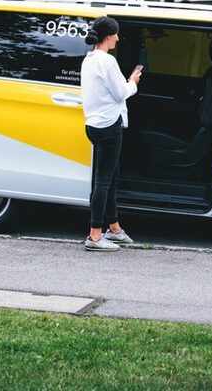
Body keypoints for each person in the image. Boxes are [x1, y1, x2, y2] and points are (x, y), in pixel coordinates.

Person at [80, 16, 142, 252]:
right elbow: (121, 93)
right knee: (104, 181)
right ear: (108, 36)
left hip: (94, 125)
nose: (118, 38)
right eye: (115, 34)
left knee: (110, 178)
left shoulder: (89, 60)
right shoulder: (107, 61)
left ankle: (114, 229)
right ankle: (95, 236)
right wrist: (133, 81)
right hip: (109, 125)